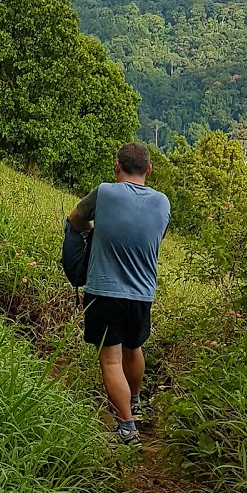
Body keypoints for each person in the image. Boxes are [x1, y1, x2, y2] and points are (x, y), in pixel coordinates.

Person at [68, 141, 171, 446]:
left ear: (117, 168)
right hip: (142, 294)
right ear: (148, 170)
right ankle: (135, 403)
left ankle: (126, 427)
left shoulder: (105, 192)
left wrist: (94, 231)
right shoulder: (163, 202)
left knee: (111, 360)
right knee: (134, 348)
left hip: (105, 291)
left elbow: (75, 219)